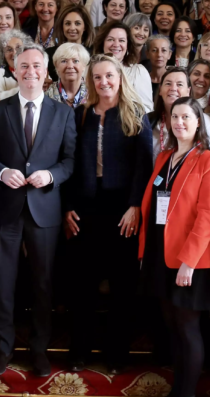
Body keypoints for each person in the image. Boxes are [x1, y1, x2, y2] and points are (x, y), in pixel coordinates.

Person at [0, 44, 77, 377]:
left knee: (42, 284)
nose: (30, 71)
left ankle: (39, 349)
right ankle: (3, 348)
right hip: (6, 209)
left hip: (45, 209)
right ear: (15, 71)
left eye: (37, 66)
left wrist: (50, 175)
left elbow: (69, 162)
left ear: (46, 72)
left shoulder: (62, 112)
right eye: (24, 66)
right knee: (3, 283)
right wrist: (1, 172)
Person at [64, 55, 153, 373]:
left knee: (122, 286)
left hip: (122, 210)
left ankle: (116, 354)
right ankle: (79, 351)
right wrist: (68, 206)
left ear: (120, 78)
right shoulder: (80, 114)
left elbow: (146, 166)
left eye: (109, 76)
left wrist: (134, 207)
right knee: (82, 285)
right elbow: (69, 163)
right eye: (98, 77)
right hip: (86, 207)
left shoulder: (136, 114)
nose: (104, 82)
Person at [139, 97, 210, 397]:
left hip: (190, 259)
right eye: (175, 117)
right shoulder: (165, 156)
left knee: (188, 327)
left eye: (186, 117)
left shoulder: (209, 161)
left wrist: (189, 261)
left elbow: (207, 217)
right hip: (160, 252)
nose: (179, 123)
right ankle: (175, 392)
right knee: (171, 327)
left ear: (198, 121)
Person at [149, 67, 210, 156]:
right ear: (160, 90)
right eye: (168, 84)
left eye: (179, 84)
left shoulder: (203, 120)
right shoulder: (148, 121)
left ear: (188, 91)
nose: (173, 88)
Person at [93, 21, 152, 109]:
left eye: (121, 40)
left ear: (127, 45)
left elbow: (146, 109)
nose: (116, 44)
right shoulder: (89, 70)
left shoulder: (138, 72)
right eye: (110, 39)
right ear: (102, 43)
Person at [46, 42, 89, 108]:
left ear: (84, 66)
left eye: (75, 61)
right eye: (64, 61)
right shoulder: (46, 96)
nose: (70, 66)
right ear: (56, 66)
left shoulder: (94, 94)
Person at [0, 28, 27, 98]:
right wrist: (27, 88)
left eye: (18, 48)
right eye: (9, 49)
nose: (14, 53)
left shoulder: (35, 70)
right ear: (2, 54)